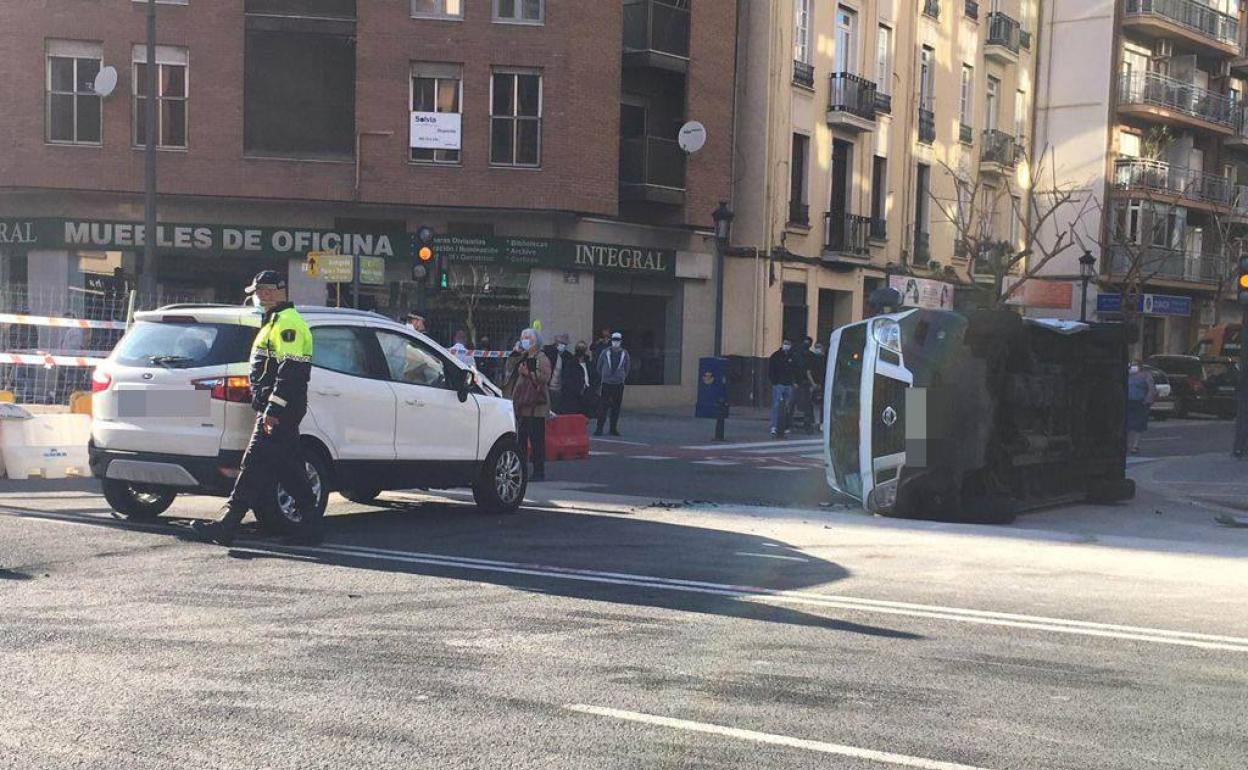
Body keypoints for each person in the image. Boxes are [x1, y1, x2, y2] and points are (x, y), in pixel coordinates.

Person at [191, 271, 319, 546]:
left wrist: (274, 408)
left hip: (279, 410)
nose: (257, 297)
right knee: (290, 469)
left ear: (272, 291)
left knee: (252, 464)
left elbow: (291, 371)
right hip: (278, 408)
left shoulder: (288, 324)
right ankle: (311, 526)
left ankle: (227, 524)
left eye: (260, 291)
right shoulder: (275, 321)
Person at [505, 327, 552, 481]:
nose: (525, 340)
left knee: (537, 440)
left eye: (528, 338)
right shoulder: (522, 357)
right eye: (523, 337)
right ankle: (521, 469)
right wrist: (515, 354)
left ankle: (539, 471)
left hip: (535, 406)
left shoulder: (542, 358)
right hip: (521, 405)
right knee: (521, 440)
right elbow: (509, 369)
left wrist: (529, 373)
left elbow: (544, 378)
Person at [595, 332, 630, 436]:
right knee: (603, 406)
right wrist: (605, 376)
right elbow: (599, 366)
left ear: (621, 341)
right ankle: (599, 428)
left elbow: (627, 368)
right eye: (614, 340)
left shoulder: (625, 353)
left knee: (616, 407)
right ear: (611, 341)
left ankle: (613, 428)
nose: (616, 342)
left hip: (619, 384)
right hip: (606, 383)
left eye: (617, 340)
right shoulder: (605, 352)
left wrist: (621, 377)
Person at [1126, 361, 1157, 455]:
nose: (1133, 367)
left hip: (1140, 402)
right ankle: (1126, 444)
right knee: (1126, 425)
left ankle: (1135, 445)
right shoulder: (1127, 375)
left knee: (1138, 425)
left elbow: (1151, 389)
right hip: (1127, 402)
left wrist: (1147, 400)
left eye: (1136, 365)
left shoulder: (1146, 375)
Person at [768, 338, 796, 438]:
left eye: (788, 344)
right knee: (776, 405)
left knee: (788, 406)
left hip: (789, 384)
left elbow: (795, 369)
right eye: (785, 343)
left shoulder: (792, 356)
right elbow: (771, 369)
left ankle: (785, 426)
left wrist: (793, 381)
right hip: (779, 384)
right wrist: (774, 381)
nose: (786, 345)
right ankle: (774, 427)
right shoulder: (776, 356)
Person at [791, 336, 818, 434]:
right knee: (793, 403)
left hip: (805, 383)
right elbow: (793, 369)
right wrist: (793, 381)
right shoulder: (797, 355)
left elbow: (811, 371)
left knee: (806, 405)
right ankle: (790, 424)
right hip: (799, 382)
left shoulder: (811, 356)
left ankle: (808, 425)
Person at [809, 339, 827, 431]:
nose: (817, 349)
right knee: (815, 403)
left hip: (824, 384)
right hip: (814, 383)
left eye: (819, 347)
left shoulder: (826, 359)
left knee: (823, 403)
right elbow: (809, 371)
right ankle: (816, 422)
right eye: (816, 347)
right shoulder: (813, 358)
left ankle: (822, 423)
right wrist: (813, 383)